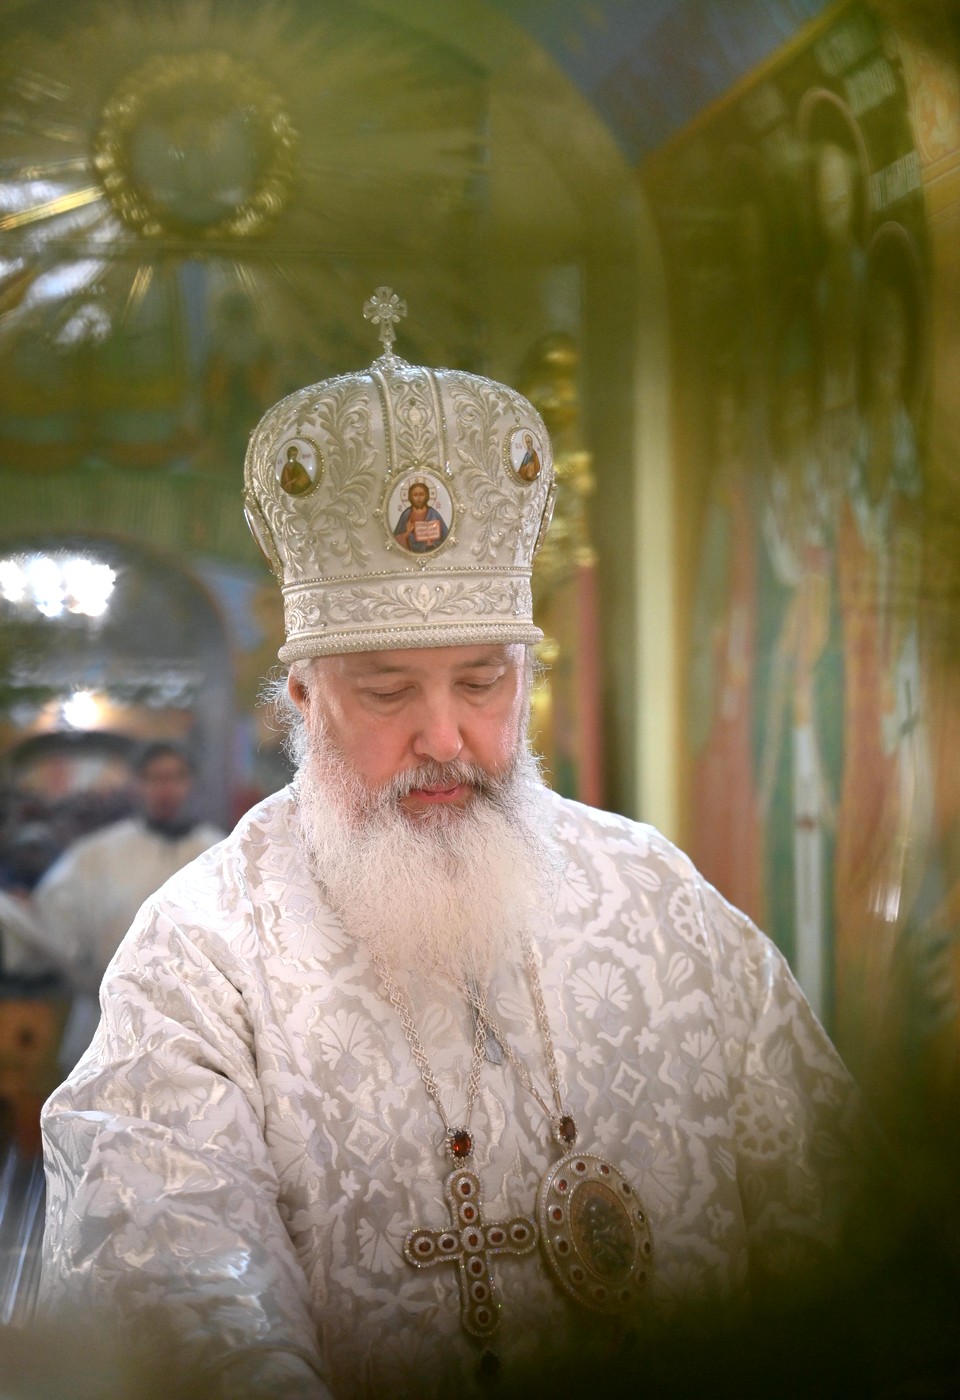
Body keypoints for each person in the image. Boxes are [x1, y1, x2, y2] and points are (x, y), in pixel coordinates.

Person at [39, 294, 868, 1400]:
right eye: (388, 691)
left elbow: (842, 1228)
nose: (444, 737)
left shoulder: (658, 897)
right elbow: (179, 1299)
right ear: (301, 699)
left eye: (483, 681)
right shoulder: (200, 958)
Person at [31, 743, 224, 1066]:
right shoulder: (98, 854)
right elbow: (54, 914)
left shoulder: (219, 852)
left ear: (191, 784)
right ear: (138, 786)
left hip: (194, 1029)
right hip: (107, 1021)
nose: (166, 788)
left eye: (175, 777)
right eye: (155, 778)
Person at [393, 479, 448, 551]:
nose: (418, 498)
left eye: (421, 494)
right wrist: (407, 533)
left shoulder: (433, 513)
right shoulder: (406, 514)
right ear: (410, 497)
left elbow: (446, 537)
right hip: (410, 554)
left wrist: (433, 543)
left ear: (426, 496)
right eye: (415, 495)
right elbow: (394, 540)